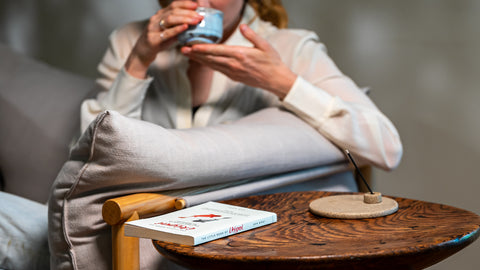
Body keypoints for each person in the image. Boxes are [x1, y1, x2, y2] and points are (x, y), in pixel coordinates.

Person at [80, 0, 402, 171]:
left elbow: (386, 147)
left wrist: (283, 83)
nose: (199, 2)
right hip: (143, 223)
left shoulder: (290, 49)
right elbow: (82, 160)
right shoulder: (130, 42)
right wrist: (139, 59)